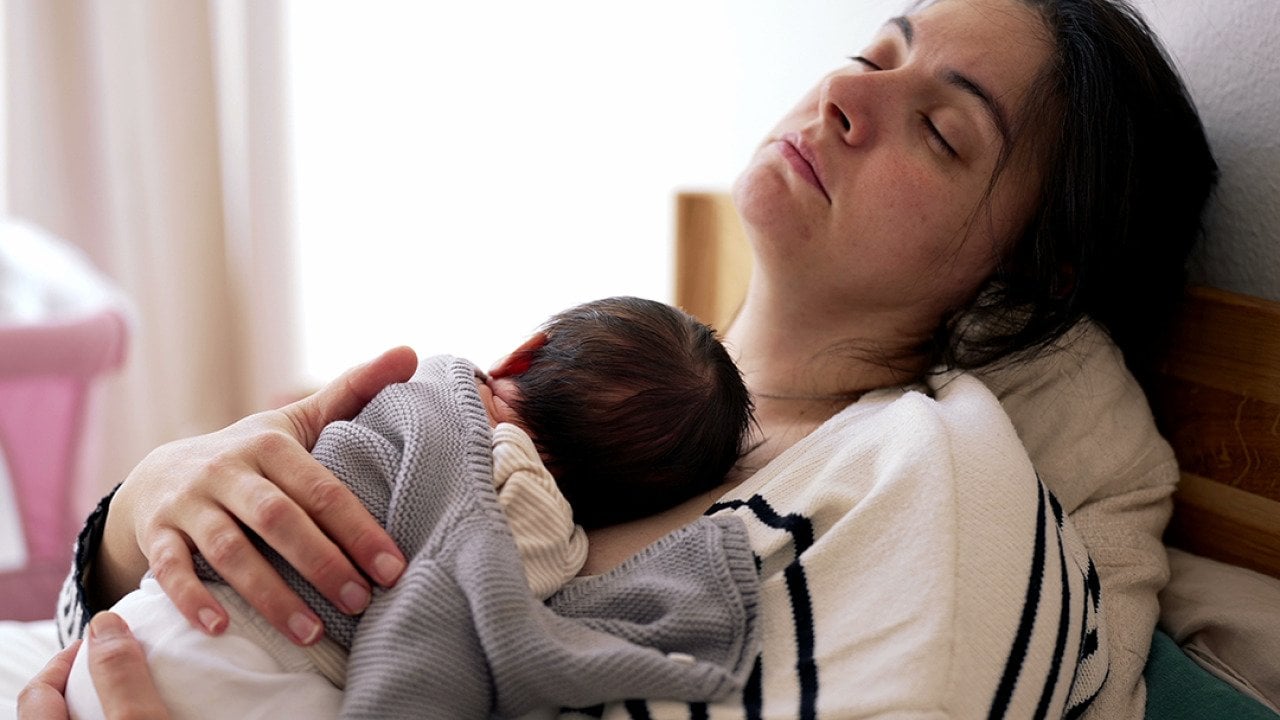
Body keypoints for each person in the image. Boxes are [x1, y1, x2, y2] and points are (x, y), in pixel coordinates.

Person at [23, 0, 1218, 717]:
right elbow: (151, 595)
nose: (854, 91)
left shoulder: (937, 487)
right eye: (879, 48)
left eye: (943, 130)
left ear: (1032, 281)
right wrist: (159, 499)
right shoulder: (607, 382)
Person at [62, 295, 759, 718]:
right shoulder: (518, 489)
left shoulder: (408, 390)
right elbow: (476, 591)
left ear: (526, 351)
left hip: (139, 633)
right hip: (240, 663)